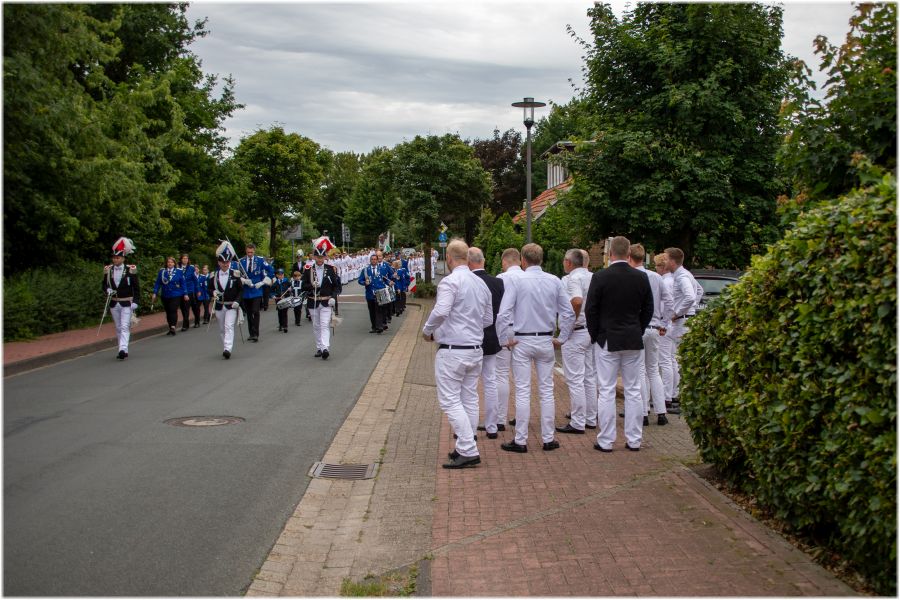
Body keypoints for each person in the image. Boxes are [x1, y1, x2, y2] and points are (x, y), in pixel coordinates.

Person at [496, 243, 575, 453]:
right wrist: (562, 338)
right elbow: (568, 313)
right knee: (546, 390)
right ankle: (548, 438)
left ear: (523, 260)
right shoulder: (554, 280)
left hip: (522, 340)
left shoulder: (517, 281)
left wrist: (503, 339)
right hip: (546, 339)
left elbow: (503, 314)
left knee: (523, 390)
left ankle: (521, 439)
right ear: (541, 259)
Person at [422, 239, 493, 469]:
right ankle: (465, 446)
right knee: (469, 398)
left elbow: (441, 310)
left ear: (449, 258)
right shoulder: (481, 283)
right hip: (475, 349)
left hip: (453, 350)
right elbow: (488, 319)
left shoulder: (450, 282)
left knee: (450, 400)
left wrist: (428, 330)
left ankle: (469, 449)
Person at [584, 236, 653, 452]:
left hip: (607, 338)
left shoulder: (600, 277)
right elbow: (648, 308)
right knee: (633, 390)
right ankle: (634, 439)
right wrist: (638, 329)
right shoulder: (641, 277)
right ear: (629, 254)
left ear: (610, 253)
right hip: (632, 337)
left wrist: (595, 335)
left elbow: (591, 309)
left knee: (606, 390)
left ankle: (606, 440)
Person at [627, 244, 673, 426]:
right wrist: (664, 323)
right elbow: (669, 301)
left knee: (640, 370)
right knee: (653, 370)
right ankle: (661, 412)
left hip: (637, 327)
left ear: (629, 257)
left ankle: (644, 411)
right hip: (654, 327)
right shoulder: (656, 277)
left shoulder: (631, 277)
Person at [556, 248, 598, 435]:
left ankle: (578, 421)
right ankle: (590, 417)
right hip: (590, 330)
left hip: (577, 332)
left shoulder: (573, 278)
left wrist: (569, 324)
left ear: (568, 262)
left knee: (575, 379)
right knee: (589, 376)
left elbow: (577, 301)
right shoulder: (593, 277)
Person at [468, 247, 505, 439]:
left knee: (469, 385)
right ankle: (492, 427)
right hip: (491, 336)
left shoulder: (466, 282)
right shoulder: (498, 282)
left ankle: (470, 429)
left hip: (469, 338)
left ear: (469, 262)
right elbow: (503, 312)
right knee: (490, 381)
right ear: (483, 260)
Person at [664, 247, 703, 411]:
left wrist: (677, 313)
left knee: (679, 360)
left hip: (682, 322)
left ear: (673, 261)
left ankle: (680, 398)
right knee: (678, 359)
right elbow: (699, 290)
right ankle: (679, 396)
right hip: (684, 320)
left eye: (666, 259)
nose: (664, 262)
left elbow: (690, 296)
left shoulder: (682, 276)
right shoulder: (684, 274)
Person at [495, 247, 525, 429]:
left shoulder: (501, 278)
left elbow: (501, 309)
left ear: (504, 261)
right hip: (523, 331)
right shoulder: (527, 278)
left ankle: (500, 419)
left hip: (506, 328)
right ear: (519, 261)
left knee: (501, 373)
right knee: (521, 378)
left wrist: (499, 337)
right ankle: (521, 416)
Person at [102, 237, 139, 360]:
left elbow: (136, 287)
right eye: (114, 258)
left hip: (126, 302)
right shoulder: (108, 270)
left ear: (123, 258)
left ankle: (123, 349)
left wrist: (136, 301)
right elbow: (104, 285)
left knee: (124, 326)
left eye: (117, 258)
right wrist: (107, 290)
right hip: (114, 303)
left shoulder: (130, 269)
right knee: (118, 327)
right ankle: (122, 348)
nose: (115, 259)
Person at [301, 245, 341, 359]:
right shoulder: (308, 269)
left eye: (322, 257)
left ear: (325, 257)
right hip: (313, 301)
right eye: (318, 257)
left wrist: (333, 297)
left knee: (324, 325)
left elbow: (337, 286)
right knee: (316, 326)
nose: (319, 259)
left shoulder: (330, 269)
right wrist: (311, 285)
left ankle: (325, 348)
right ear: (314, 257)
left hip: (326, 302)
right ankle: (319, 347)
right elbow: (303, 286)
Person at [654, 253, 678, 414]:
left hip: (665, 324)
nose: (656, 269)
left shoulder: (664, 281)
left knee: (664, 361)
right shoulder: (675, 280)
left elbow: (665, 305)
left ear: (662, 266)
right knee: (671, 359)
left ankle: (666, 395)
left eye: (657, 266)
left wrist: (663, 321)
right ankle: (673, 393)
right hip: (672, 324)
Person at [209, 248, 243, 359]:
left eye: (227, 262)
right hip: (219, 305)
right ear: (219, 263)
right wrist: (213, 292)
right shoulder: (214, 275)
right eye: (223, 262)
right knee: (222, 328)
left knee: (229, 326)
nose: (225, 264)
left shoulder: (235, 274)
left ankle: (227, 349)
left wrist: (237, 301)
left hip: (231, 305)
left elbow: (240, 290)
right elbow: (209, 288)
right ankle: (225, 346)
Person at [238, 243, 273, 342]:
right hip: (246, 290)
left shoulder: (260, 260)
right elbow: (236, 274)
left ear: (254, 251)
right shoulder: (241, 261)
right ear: (246, 251)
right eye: (248, 252)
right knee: (249, 312)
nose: (250, 254)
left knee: (255, 311)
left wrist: (263, 282)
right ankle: (251, 333)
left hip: (257, 289)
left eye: (251, 252)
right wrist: (243, 280)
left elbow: (271, 270)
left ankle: (256, 333)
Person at [152, 256, 187, 336]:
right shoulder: (162, 271)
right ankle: (170, 326)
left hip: (176, 294)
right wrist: (155, 293)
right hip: (165, 294)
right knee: (168, 311)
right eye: (168, 262)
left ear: (174, 263)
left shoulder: (179, 271)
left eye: (171, 262)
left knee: (173, 309)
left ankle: (173, 327)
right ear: (166, 263)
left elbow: (183, 283)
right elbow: (158, 283)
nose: (170, 263)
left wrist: (185, 293)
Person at [358, 252, 391, 334]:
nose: (374, 261)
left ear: (377, 260)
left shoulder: (382, 269)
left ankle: (380, 326)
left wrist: (389, 283)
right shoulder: (365, 270)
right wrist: (365, 283)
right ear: (370, 260)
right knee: (372, 311)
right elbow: (360, 280)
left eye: (375, 259)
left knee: (379, 309)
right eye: (372, 259)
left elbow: (385, 279)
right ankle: (374, 326)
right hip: (370, 293)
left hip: (380, 292)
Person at [177, 253, 200, 330]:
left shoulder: (191, 268)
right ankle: (186, 323)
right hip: (181, 291)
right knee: (183, 308)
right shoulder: (178, 268)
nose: (185, 260)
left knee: (193, 307)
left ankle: (196, 321)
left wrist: (198, 290)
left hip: (190, 290)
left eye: (186, 258)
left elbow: (195, 280)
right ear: (181, 259)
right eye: (183, 258)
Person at [270, 268, 291, 332]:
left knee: (285, 312)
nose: (281, 276)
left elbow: (291, 286)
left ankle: (285, 326)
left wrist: (290, 289)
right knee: (280, 312)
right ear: (277, 275)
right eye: (279, 275)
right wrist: (273, 295)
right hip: (278, 299)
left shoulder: (286, 281)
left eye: (282, 274)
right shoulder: (276, 283)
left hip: (285, 298)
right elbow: (271, 291)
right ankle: (281, 324)